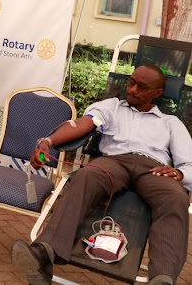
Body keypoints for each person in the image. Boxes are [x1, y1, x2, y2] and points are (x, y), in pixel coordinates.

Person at [10, 65, 192, 285]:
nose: (132, 89)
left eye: (141, 87)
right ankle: (44, 252)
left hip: (154, 169)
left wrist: (179, 174)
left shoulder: (170, 123)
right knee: (86, 176)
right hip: (113, 163)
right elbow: (81, 125)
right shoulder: (111, 107)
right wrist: (48, 142)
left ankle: (163, 278)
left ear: (157, 92)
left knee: (176, 197)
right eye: (131, 82)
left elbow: (189, 163)